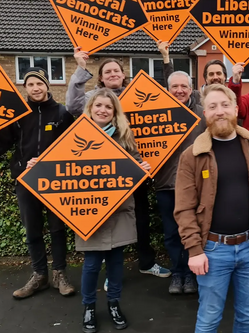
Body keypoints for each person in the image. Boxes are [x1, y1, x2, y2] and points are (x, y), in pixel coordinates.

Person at [174, 84, 249, 332]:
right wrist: (194, 250)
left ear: (235, 109)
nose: (219, 111)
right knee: (209, 319)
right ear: (205, 113)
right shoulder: (192, 155)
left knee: (246, 317)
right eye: (212, 106)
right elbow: (184, 209)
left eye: (224, 105)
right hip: (211, 251)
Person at [65, 47, 171, 282]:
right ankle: (110, 269)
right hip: (100, 173)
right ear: (101, 77)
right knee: (103, 218)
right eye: (107, 71)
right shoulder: (95, 99)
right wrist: (81, 68)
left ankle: (146, 262)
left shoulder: (137, 94)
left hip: (134, 167)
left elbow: (168, 105)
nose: (113, 74)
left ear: (124, 75)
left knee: (140, 218)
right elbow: (73, 107)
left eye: (117, 70)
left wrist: (165, 59)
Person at [78, 88, 151, 333]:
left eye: (108, 107)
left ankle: (114, 303)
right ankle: (88, 306)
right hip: (90, 212)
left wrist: (142, 166)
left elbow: (137, 166)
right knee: (91, 264)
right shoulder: (76, 136)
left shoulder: (124, 137)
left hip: (119, 210)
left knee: (116, 262)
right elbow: (59, 166)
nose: (103, 110)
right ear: (90, 108)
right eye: (98, 105)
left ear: (114, 112)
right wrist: (39, 164)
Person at [0, 67, 76, 299]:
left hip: (55, 181)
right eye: (31, 84)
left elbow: (73, 149)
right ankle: (39, 275)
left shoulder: (62, 113)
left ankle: (59, 274)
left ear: (47, 85)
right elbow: (4, 145)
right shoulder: (18, 114)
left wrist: (49, 162)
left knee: (57, 229)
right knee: (32, 229)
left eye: (39, 83)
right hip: (25, 180)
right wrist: (23, 167)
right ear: (25, 88)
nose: (36, 88)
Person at [153, 71, 206, 294]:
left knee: (195, 230)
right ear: (168, 89)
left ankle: (193, 274)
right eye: (174, 86)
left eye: (184, 86)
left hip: (195, 186)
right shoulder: (156, 113)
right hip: (166, 183)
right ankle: (178, 273)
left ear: (191, 87)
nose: (179, 91)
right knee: (172, 233)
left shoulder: (202, 114)